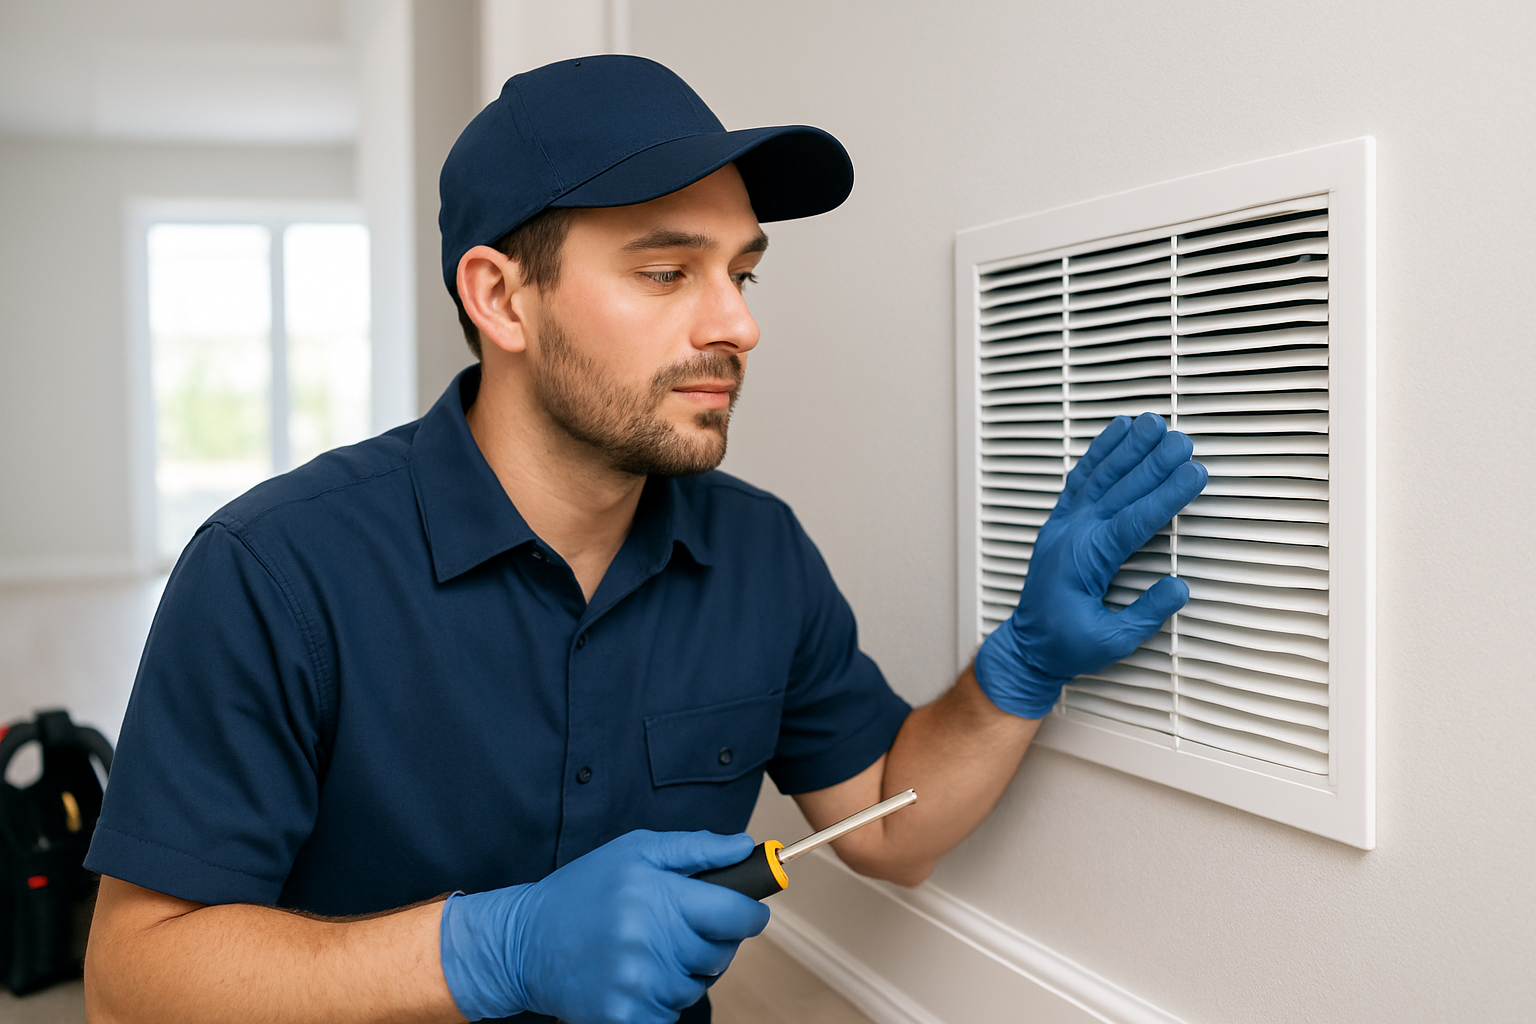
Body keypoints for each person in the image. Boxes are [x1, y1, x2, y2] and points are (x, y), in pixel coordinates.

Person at [83, 55, 1207, 1024]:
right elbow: (132, 981)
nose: (738, 323)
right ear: (503, 299)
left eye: (744, 271)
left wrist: (1020, 668)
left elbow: (885, 827)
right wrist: (495, 947)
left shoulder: (760, 553)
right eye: (668, 272)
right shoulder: (276, 571)